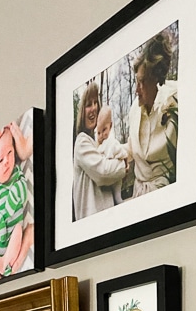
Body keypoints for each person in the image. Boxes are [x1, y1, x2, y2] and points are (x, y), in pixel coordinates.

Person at [0, 121, 34, 282]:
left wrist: (5, 220)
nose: (6, 162)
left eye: (10, 153)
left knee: (18, 229)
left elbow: (21, 193)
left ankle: (4, 262)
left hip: (10, 235)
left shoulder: (17, 177)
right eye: (1, 160)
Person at [128, 31, 178, 197]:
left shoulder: (176, 100)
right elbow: (130, 149)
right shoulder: (134, 110)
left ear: (157, 78)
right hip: (139, 195)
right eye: (137, 81)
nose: (137, 90)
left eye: (142, 82)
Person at [72, 81, 127, 220]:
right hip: (91, 226)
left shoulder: (102, 144)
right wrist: (123, 165)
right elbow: (103, 173)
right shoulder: (82, 141)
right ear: (82, 112)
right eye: (89, 104)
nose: (94, 108)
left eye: (96, 102)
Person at [95, 105, 129, 205]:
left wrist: (126, 163)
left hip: (116, 177)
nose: (101, 135)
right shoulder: (98, 146)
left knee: (117, 197)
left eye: (104, 130)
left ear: (110, 126)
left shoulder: (112, 143)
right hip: (107, 177)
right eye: (99, 132)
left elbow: (123, 153)